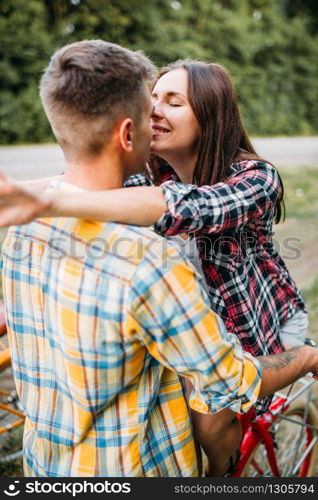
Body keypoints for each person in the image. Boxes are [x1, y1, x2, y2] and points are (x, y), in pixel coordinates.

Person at [1, 43, 317, 478]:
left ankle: (226, 475)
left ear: (210, 113)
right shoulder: (148, 172)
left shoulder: (256, 178)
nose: (155, 111)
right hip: (191, 318)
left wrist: (43, 204)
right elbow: (82, 187)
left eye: (174, 101)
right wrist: (28, 194)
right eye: (152, 100)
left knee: (208, 421)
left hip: (256, 323)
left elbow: (187, 209)